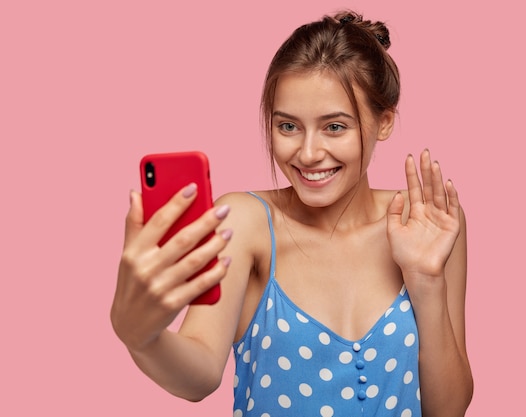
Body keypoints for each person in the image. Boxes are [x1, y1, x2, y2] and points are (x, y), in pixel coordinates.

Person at [111, 10, 473, 417]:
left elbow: (449, 410)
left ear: (383, 121)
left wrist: (427, 281)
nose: (308, 153)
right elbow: (199, 375)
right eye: (288, 127)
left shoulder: (425, 225)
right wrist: (142, 337)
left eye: (334, 127)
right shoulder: (245, 223)